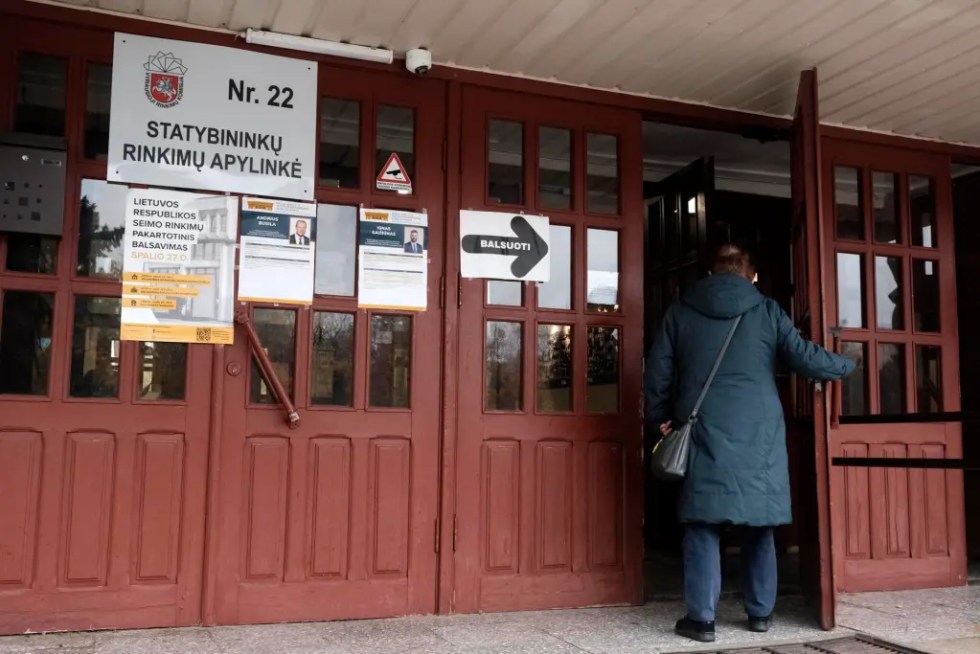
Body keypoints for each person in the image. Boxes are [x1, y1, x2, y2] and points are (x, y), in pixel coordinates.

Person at [644, 243, 856, 643]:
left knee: (702, 523)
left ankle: (702, 620)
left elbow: (657, 373)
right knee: (760, 523)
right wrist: (846, 364)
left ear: (709, 274)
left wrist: (659, 422)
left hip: (701, 426)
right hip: (760, 432)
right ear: (751, 276)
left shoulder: (680, 312)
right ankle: (760, 614)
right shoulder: (767, 310)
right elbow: (804, 357)